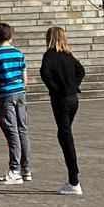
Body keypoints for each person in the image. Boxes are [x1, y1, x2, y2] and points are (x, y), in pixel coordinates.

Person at [40, 25, 85, 195]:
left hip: (61, 99)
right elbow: (81, 70)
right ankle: (73, 178)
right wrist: (73, 85)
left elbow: (45, 73)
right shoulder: (68, 55)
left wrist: (55, 88)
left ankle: (74, 180)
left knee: (66, 136)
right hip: (73, 98)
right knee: (64, 133)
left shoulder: (50, 55)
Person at [0, 21, 32, 184]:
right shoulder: (19, 53)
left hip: (5, 94)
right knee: (22, 130)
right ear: (11, 36)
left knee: (12, 131)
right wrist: (21, 88)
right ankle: (26, 169)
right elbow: (25, 77)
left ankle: (15, 169)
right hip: (19, 92)